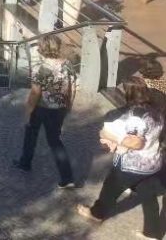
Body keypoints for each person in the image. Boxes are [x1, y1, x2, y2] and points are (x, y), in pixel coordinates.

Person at [77, 76, 164, 238]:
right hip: (153, 163)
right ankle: (153, 233)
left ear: (128, 93)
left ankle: (96, 214)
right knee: (147, 194)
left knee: (110, 189)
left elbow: (136, 142)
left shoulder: (136, 116)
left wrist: (110, 136)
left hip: (132, 166)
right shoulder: (156, 110)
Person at [12, 35, 76, 188]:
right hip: (59, 108)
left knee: (31, 134)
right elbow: (72, 89)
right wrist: (68, 107)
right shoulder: (68, 65)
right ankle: (67, 178)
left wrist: (27, 113)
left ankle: (25, 163)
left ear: (42, 49)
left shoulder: (41, 69)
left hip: (42, 108)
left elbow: (35, 94)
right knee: (55, 142)